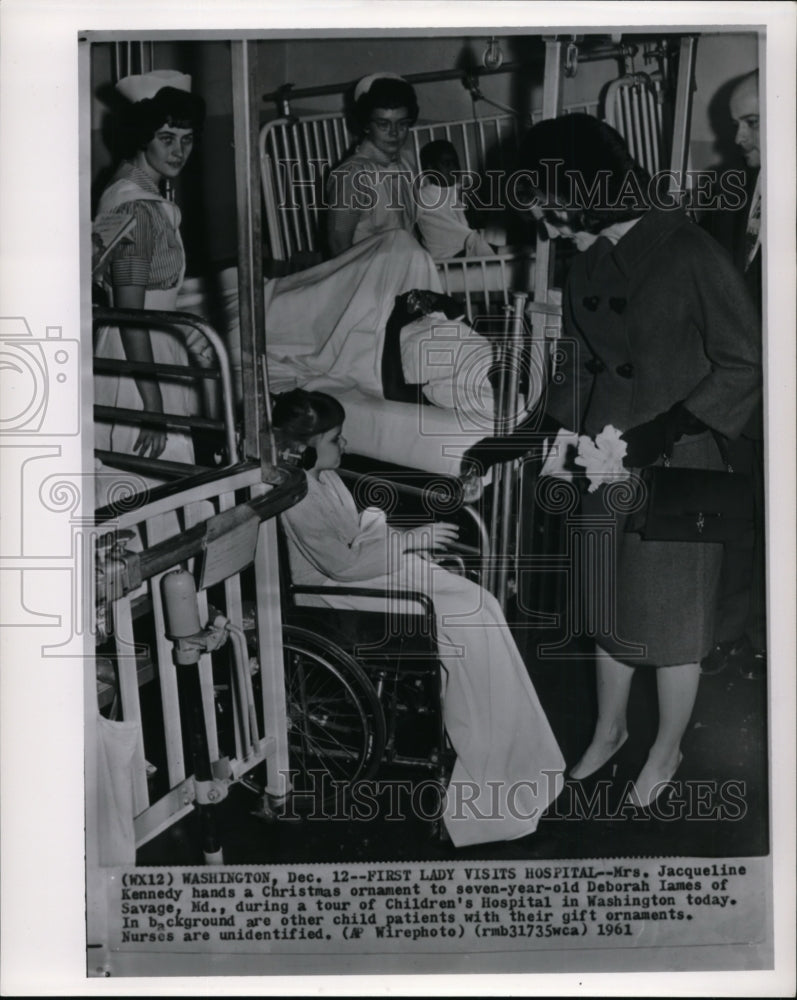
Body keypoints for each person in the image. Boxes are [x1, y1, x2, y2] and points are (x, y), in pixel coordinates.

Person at [468, 114, 761, 809]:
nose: (543, 228)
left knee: (672, 624)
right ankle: (606, 733)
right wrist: (512, 439)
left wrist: (664, 432)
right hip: (605, 458)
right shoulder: (589, 261)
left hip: (685, 460)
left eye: (546, 208)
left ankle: (666, 748)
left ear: (581, 187)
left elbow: (744, 360)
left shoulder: (686, 250)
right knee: (605, 608)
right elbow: (571, 374)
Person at [273, 389, 565, 847]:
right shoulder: (296, 492)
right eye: (334, 439)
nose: (343, 445)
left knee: (482, 605)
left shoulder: (323, 479)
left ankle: (519, 757)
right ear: (306, 445)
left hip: (364, 572)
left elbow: (353, 544)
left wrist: (406, 539)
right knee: (466, 618)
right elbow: (339, 565)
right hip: (335, 593)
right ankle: (488, 778)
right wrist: (409, 542)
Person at [93, 70, 214, 490]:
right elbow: (131, 315)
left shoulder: (125, 189)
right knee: (148, 483)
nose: (179, 151)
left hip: (145, 350)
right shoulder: (137, 210)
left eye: (187, 138)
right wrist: (153, 405)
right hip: (139, 360)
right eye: (166, 137)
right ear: (143, 137)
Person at [700, 69, 765, 681]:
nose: (739, 136)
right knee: (737, 520)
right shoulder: (725, 191)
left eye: (753, 123)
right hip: (740, 396)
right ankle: (731, 636)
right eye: (736, 123)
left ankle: (772, 641)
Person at [326, 73, 420, 257]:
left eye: (402, 124)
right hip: (365, 274)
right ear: (366, 125)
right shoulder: (353, 175)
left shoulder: (406, 164)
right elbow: (338, 246)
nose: (394, 133)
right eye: (383, 124)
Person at [416, 140, 496, 258]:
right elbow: (405, 222)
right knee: (492, 250)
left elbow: (479, 224)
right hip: (445, 256)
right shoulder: (422, 196)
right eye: (447, 164)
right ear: (430, 169)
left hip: (470, 248)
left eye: (456, 163)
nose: (454, 168)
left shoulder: (461, 190)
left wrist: (473, 204)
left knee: (506, 245)